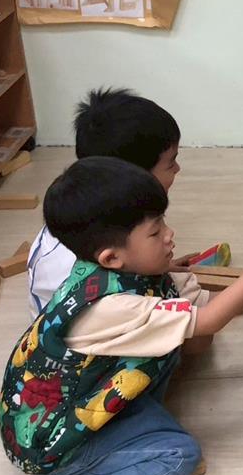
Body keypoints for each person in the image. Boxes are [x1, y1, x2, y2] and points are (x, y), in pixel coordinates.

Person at [0, 157, 243, 475]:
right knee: (180, 455)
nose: (170, 236)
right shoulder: (113, 306)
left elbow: (197, 311)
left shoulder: (120, 271)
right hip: (56, 445)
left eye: (163, 223)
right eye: (155, 232)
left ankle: (138, 437)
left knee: (174, 346)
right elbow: (207, 320)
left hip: (70, 405)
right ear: (111, 257)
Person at [28, 88, 184, 320]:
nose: (178, 169)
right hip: (91, 333)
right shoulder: (74, 264)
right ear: (134, 175)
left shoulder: (98, 214)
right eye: (171, 163)